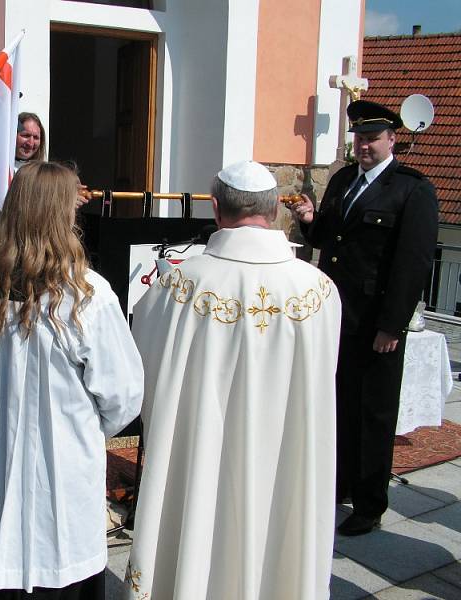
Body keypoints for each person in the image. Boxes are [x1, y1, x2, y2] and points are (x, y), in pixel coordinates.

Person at [126, 161, 342, 600]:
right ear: (274, 208)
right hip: (285, 455)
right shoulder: (319, 290)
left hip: (201, 455)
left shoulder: (181, 286)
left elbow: (142, 368)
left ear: (216, 208)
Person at [0, 161, 143, 599]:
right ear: (62, 214)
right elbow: (122, 394)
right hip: (63, 467)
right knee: (61, 571)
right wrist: (82, 427)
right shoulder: (86, 296)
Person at [289, 99, 439, 536]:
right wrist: (308, 220)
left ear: (392, 138)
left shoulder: (411, 189)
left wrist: (392, 326)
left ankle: (370, 504)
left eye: (372, 138)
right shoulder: (341, 181)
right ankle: (338, 484)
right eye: (359, 138)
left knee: (373, 413)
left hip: (376, 324)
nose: (364, 146)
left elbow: (413, 265)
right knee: (337, 405)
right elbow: (326, 240)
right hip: (336, 318)